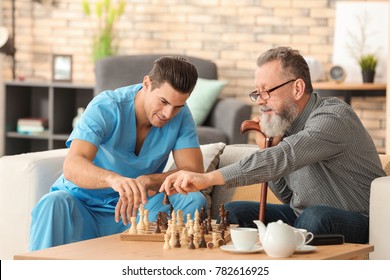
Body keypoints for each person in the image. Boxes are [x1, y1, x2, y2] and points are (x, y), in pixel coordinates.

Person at [160, 46, 386, 244]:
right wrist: (267, 148)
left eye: (267, 91)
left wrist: (208, 178)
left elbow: (285, 156)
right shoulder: (285, 126)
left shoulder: (333, 117)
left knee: (313, 218)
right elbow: (289, 198)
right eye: (257, 92)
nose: (259, 100)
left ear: (297, 88)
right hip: (303, 217)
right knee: (233, 212)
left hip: (362, 220)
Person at [29, 56, 207, 251]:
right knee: (52, 203)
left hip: (136, 210)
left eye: (177, 107)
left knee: (192, 199)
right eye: (163, 101)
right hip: (83, 207)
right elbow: (73, 165)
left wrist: (148, 180)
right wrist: (115, 180)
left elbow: (193, 171)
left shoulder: (181, 115)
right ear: (147, 84)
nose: (168, 113)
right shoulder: (106, 106)